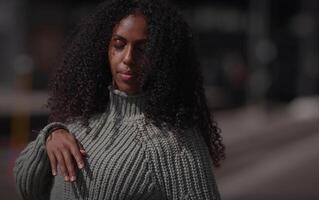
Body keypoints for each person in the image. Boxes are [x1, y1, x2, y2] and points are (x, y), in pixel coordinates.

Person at [14, 0, 225, 199]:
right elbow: (27, 188)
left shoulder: (176, 143)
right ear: (104, 49)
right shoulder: (81, 117)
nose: (128, 58)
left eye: (143, 49)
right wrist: (49, 137)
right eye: (119, 44)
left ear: (164, 57)